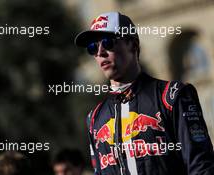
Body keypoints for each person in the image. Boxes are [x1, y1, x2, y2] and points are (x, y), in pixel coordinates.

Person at [74, 11, 214, 175]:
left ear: (133, 45)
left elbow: (201, 166)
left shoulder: (172, 96)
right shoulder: (94, 118)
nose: (100, 52)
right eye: (92, 47)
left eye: (107, 42)